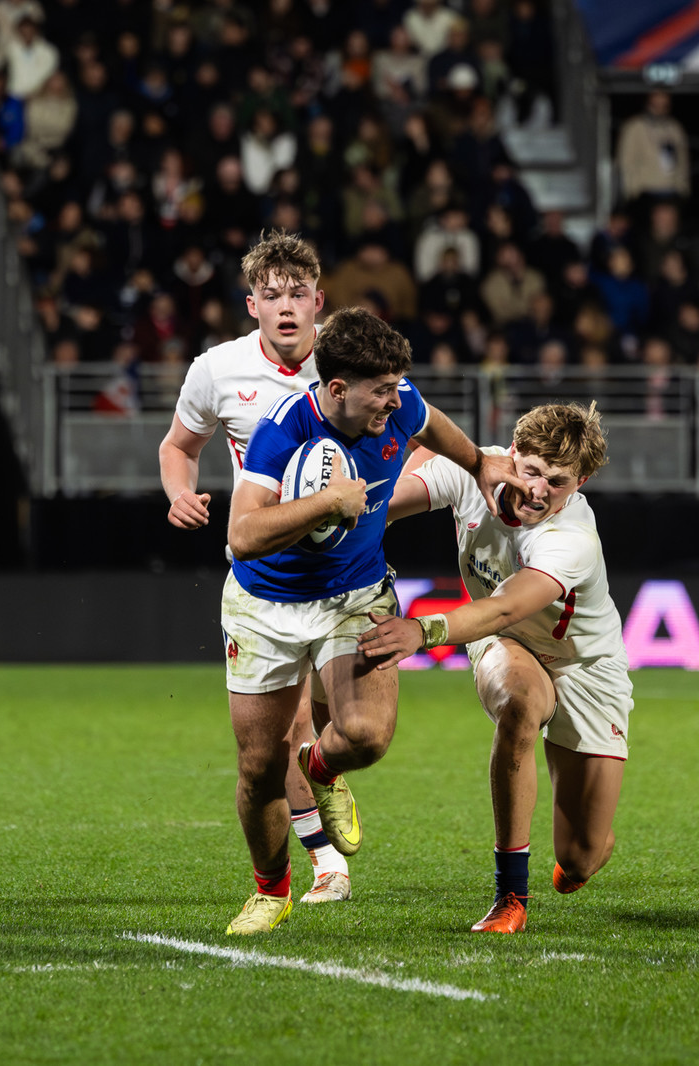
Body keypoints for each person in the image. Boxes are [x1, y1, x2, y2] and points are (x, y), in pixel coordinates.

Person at [219, 306, 523, 934]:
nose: (396, 399)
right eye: (381, 390)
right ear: (337, 390)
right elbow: (242, 535)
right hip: (265, 603)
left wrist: (477, 462)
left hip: (354, 595)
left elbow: (429, 420)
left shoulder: (397, 401)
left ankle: (321, 769)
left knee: (366, 735)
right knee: (256, 766)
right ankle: (270, 890)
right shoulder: (282, 432)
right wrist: (328, 501)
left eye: (396, 385)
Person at [361, 403, 630, 934]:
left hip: (586, 666)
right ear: (511, 453)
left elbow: (507, 603)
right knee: (520, 701)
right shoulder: (473, 467)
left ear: (582, 481)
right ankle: (511, 896)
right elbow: (381, 507)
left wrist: (423, 630)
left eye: (557, 482)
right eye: (530, 471)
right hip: (504, 642)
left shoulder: (571, 537)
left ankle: (583, 844)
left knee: (581, 858)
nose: (538, 491)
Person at [159, 231, 356, 906]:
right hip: (268, 574)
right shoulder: (217, 369)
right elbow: (179, 445)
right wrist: (179, 493)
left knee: (343, 728)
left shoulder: (348, 358)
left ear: (318, 301)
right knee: (286, 728)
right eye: (272, 295)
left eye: (298, 294)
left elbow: (402, 422)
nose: (287, 307)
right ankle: (325, 859)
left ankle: (328, 778)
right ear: (252, 306)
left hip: (345, 573)